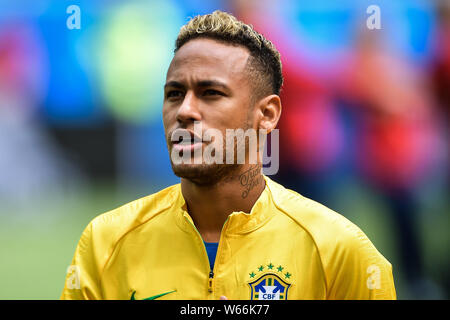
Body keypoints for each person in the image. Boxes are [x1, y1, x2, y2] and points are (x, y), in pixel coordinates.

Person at [61, 10, 396, 300]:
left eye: (211, 93)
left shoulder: (341, 251)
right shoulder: (105, 243)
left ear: (266, 115)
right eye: (174, 94)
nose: (185, 111)